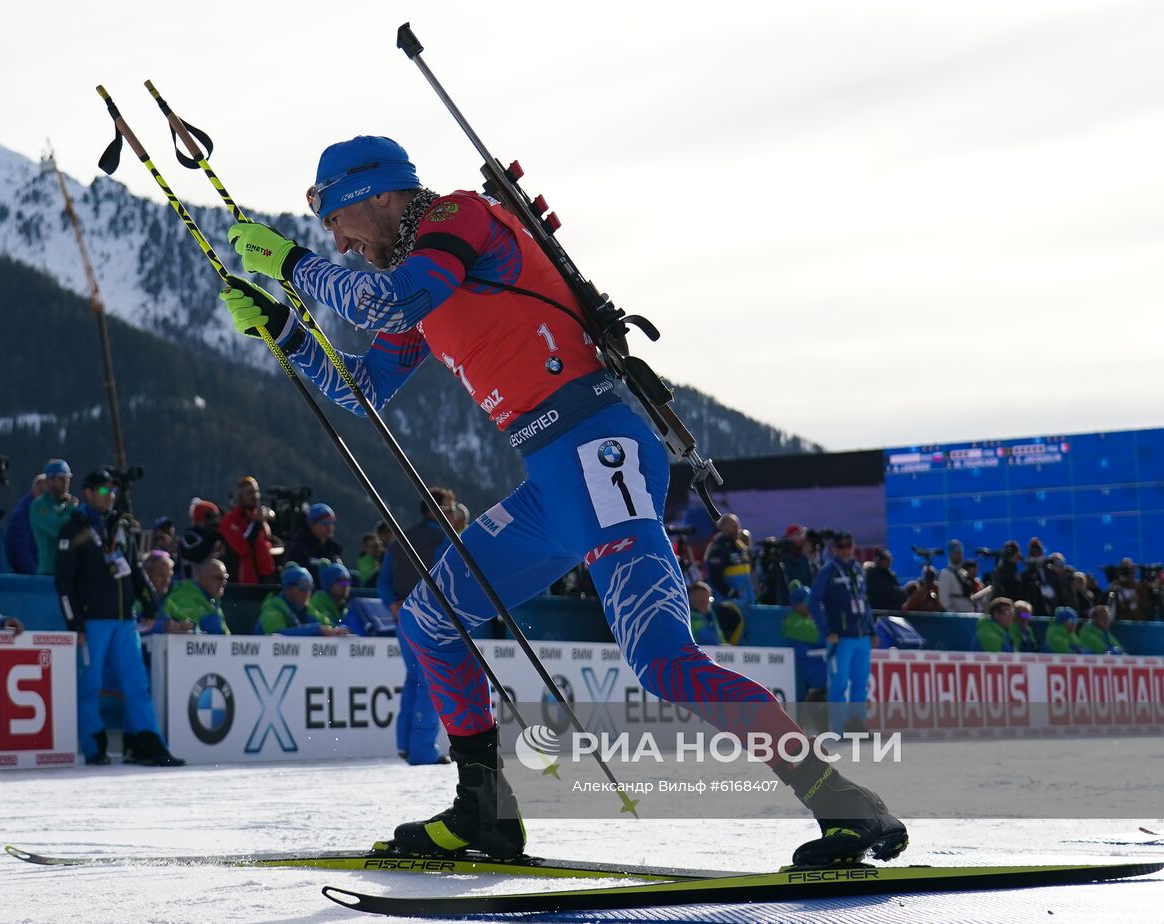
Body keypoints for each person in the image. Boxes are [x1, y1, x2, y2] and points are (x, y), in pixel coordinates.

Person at [220, 134, 905, 867]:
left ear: (380, 193)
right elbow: (364, 391)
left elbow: (389, 303)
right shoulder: (421, 274)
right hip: (553, 475)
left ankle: (842, 802)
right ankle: (483, 808)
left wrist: (291, 264)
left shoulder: (460, 217)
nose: (336, 240)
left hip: (597, 447)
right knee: (430, 618)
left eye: (337, 219)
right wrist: (288, 331)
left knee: (665, 659)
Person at [56, 469, 184, 767]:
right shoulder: (72, 529)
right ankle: (94, 748)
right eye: (103, 491)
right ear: (87, 493)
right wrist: (74, 623)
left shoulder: (120, 526)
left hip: (126, 621)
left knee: (137, 685)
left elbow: (135, 568)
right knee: (91, 687)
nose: (109, 496)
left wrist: (150, 603)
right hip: (93, 623)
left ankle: (148, 746)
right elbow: (64, 582)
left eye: (112, 491)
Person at [376, 487, 455, 766]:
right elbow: (440, 581)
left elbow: (383, 582)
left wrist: (393, 604)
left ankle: (405, 745)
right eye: (449, 508)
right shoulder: (443, 539)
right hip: (429, 619)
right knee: (430, 680)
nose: (453, 514)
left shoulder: (398, 541)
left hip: (402, 619)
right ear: (433, 510)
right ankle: (422, 750)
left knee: (414, 678)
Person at [809, 533, 874, 734]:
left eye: (849, 545)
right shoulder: (828, 571)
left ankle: (857, 725)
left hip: (862, 637)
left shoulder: (857, 569)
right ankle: (838, 729)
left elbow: (864, 601)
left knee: (860, 685)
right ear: (835, 548)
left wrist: (871, 628)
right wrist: (827, 630)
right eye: (841, 546)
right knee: (838, 684)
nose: (846, 549)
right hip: (841, 638)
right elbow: (813, 602)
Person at [256, 564, 349, 636]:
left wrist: (337, 630)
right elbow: (277, 634)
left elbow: (328, 625)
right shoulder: (272, 608)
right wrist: (315, 630)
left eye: (310, 587)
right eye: (303, 586)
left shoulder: (305, 608)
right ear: (288, 589)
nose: (307, 592)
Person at [220, 476, 279, 585]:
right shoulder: (230, 520)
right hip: (243, 582)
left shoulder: (258, 519)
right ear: (240, 496)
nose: (255, 496)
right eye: (250, 492)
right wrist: (256, 524)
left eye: (257, 492)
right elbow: (242, 547)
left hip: (265, 579)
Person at [781, 583, 827, 700]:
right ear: (797, 604)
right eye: (807, 602)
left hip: (819, 666)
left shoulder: (806, 620)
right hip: (809, 672)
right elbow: (825, 639)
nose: (811, 605)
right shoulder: (795, 623)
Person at [32, 460, 77, 575]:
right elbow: (58, 529)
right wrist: (70, 509)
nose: (66, 482)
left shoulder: (65, 504)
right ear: (50, 480)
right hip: (49, 571)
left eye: (68, 478)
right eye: (61, 478)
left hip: (70, 570)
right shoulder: (39, 505)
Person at [164, 557, 230, 634]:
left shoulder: (213, 602)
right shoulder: (185, 598)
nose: (223, 582)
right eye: (218, 577)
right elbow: (189, 637)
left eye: (225, 578)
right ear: (202, 578)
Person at [281, 502, 344, 582]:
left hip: (331, 594)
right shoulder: (298, 549)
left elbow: (341, 582)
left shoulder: (334, 551)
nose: (329, 527)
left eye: (331, 522)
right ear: (311, 524)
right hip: (307, 592)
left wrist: (346, 584)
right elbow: (292, 581)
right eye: (324, 523)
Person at [703, 513, 756, 607]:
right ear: (722, 528)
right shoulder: (718, 549)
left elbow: (751, 570)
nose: (736, 529)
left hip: (747, 600)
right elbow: (715, 578)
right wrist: (730, 593)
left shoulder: (741, 547)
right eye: (732, 527)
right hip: (729, 602)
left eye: (737, 526)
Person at [5, 473, 46, 575]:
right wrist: (37, 579)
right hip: (31, 582)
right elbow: (21, 554)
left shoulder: (44, 512)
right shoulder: (22, 516)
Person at [178, 499, 224, 579]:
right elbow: (195, 555)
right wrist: (213, 536)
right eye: (211, 516)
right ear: (203, 517)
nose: (214, 520)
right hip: (192, 583)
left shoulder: (215, 536)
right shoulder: (188, 536)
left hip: (213, 583)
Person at [311, 561, 353, 627]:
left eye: (347, 581)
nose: (345, 585)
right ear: (328, 584)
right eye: (340, 581)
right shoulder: (316, 604)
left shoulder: (345, 609)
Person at [937, 540, 974, 613]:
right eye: (956, 553)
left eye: (960, 552)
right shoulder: (945, 574)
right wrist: (953, 613)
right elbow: (943, 598)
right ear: (950, 554)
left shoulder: (964, 572)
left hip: (967, 613)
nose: (958, 555)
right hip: (956, 616)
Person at [687, 580, 727, 646]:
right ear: (692, 599)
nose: (706, 603)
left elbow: (720, 638)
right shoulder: (688, 619)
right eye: (701, 600)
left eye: (708, 598)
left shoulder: (712, 616)